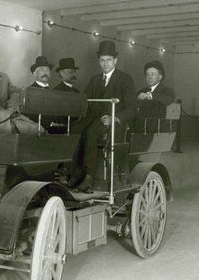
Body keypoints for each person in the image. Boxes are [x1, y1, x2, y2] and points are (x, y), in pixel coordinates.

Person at [69, 40, 137, 193]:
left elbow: (132, 108)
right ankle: (71, 173)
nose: (105, 63)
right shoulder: (94, 79)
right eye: (102, 60)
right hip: (94, 117)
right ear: (99, 61)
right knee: (73, 129)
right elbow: (85, 100)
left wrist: (114, 118)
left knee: (91, 133)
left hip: (114, 122)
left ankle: (89, 177)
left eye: (109, 60)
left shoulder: (125, 79)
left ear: (115, 61)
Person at [25, 56, 54, 130]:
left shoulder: (53, 92)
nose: (45, 73)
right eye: (42, 70)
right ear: (35, 73)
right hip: (37, 130)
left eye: (47, 70)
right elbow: (30, 117)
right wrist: (51, 124)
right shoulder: (30, 91)